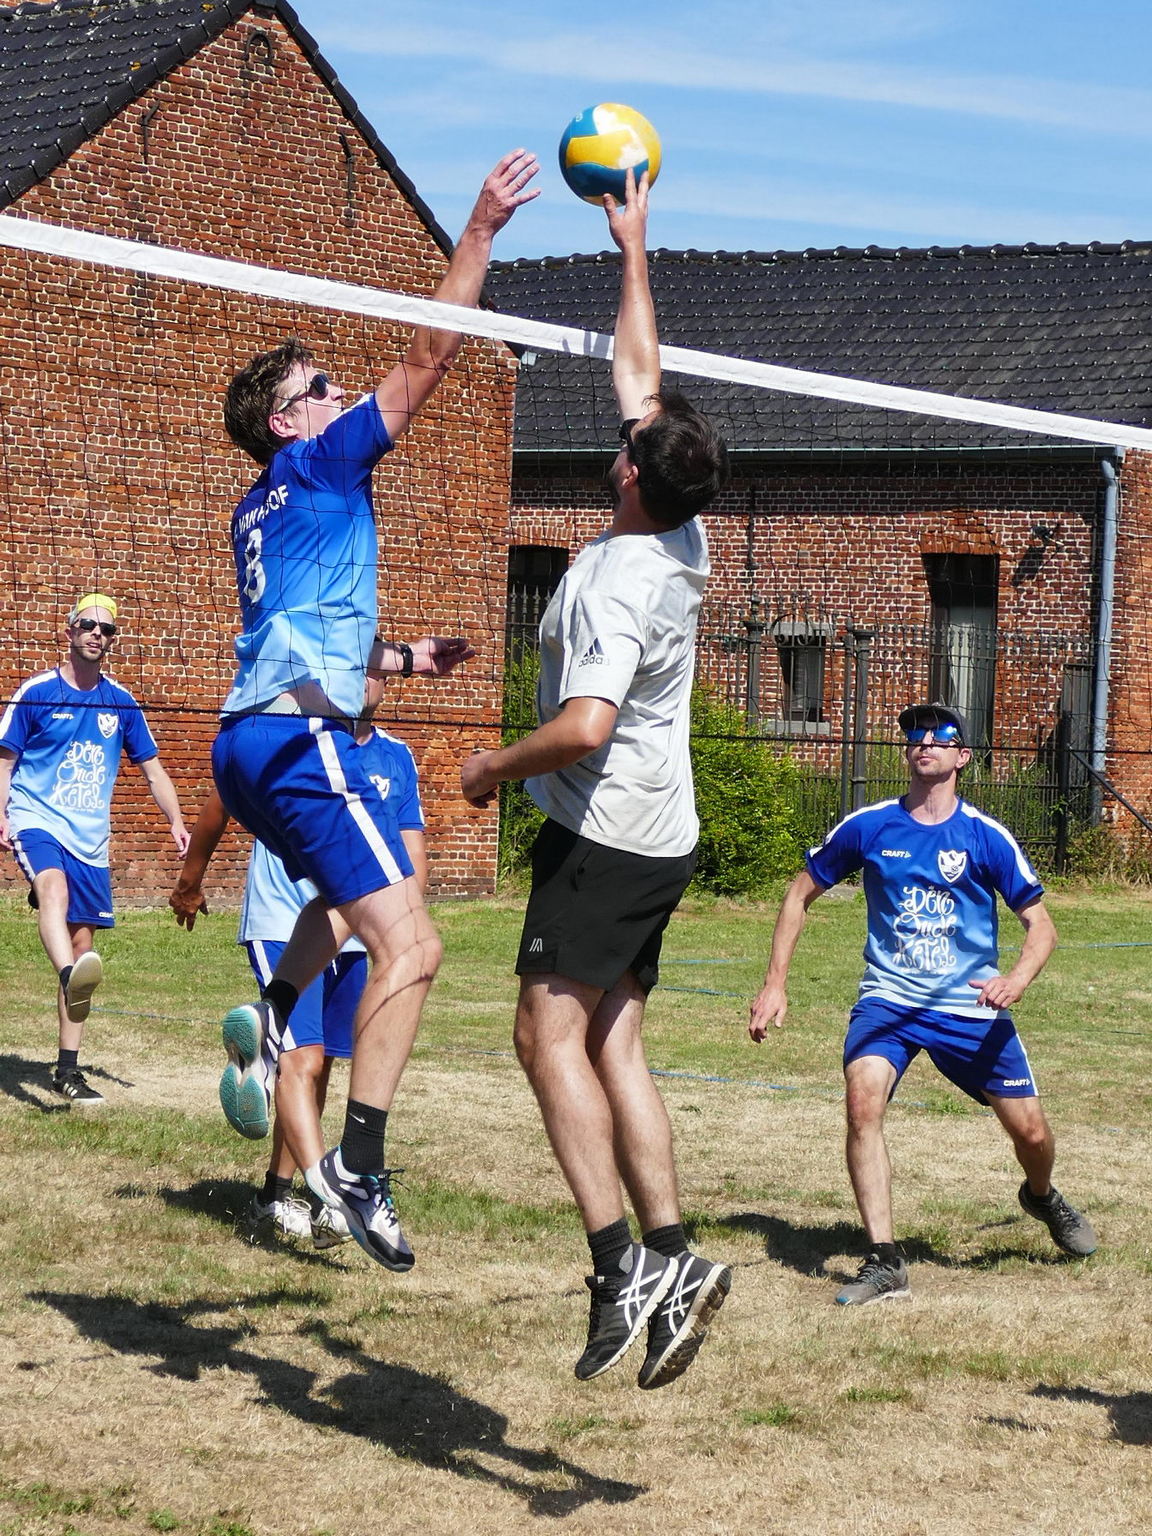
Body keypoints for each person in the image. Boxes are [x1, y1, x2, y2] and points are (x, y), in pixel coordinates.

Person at [211, 149, 538, 1273]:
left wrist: (401, 656)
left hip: (251, 740)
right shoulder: (321, 467)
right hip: (297, 740)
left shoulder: (257, 508)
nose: (338, 393)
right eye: (318, 389)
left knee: (342, 905)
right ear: (287, 423)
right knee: (418, 941)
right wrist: (479, 230)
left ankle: (276, 1007)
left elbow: (302, 634)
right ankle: (360, 1163)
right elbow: (428, 355)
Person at [460, 171, 731, 1391]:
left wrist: (489, 768)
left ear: (631, 476)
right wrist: (633, 244)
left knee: (543, 1033)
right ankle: (673, 1256)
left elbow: (583, 726)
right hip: (658, 834)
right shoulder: (680, 526)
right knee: (615, 1038)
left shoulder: (624, 583)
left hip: (607, 834)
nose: (621, 434)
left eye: (629, 442)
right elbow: (641, 372)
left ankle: (618, 1265)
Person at [749, 701, 1097, 1307]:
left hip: (969, 1007)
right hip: (889, 1001)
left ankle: (1041, 1196)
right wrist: (775, 982)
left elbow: (1041, 926)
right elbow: (798, 894)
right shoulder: (870, 826)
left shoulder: (984, 836)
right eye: (914, 736)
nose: (924, 744)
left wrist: (1015, 979)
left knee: (1032, 1133)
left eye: (939, 737)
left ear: (963, 756)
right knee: (862, 1104)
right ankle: (885, 1260)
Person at [171, 674, 426, 1252]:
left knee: (323, 1065)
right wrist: (190, 880)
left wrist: (402, 929)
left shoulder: (395, 756)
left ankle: (276, 1191)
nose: (367, 679)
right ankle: (335, 1198)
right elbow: (220, 802)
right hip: (284, 921)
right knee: (302, 1061)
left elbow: (411, 853)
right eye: (357, 665)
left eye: (377, 667)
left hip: (355, 931)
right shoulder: (296, 737)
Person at [0, 593, 189, 1106]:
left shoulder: (121, 702)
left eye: (107, 630)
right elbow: (5, 762)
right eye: (88, 625)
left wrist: (176, 822)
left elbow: (153, 771)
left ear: (112, 641)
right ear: (70, 631)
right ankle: (68, 977)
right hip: (37, 820)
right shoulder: (37, 692)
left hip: (90, 840)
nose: (96, 635)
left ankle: (66, 1070)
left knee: (83, 946)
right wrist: (2, 814)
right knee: (53, 890)